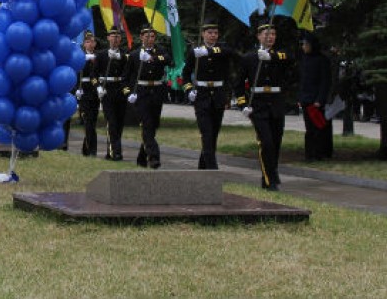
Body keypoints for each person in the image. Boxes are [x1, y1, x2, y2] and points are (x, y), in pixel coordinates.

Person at [236, 20, 296, 190]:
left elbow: (291, 58)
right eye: (267, 34)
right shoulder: (249, 58)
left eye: (273, 34)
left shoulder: (279, 55)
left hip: (276, 102)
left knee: (276, 141)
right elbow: (239, 83)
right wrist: (242, 104)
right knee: (266, 142)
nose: (270, 37)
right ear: (259, 36)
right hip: (258, 104)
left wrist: (272, 56)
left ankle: (270, 173)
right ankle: (270, 180)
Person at [182, 19, 237, 170]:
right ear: (203, 34)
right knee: (206, 132)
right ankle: (212, 168)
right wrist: (188, 89)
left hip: (218, 95)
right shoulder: (195, 52)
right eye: (209, 33)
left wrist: (209, 51)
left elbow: (231, 54)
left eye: (215, 33)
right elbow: (185, 74)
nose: (213, 36)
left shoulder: (223, 49)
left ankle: (203, 164)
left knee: (214, 133)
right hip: (202, 95)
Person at [124, 24, 172, 169]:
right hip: (142, 92)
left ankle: (141, 158)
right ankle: (154, 157)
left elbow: (169, 60)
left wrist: (152, 59)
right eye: (147, 36)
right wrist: (128, 92)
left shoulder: (160, 51)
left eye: (152, 36)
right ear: (141, 37)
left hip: (156, 92)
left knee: (153, 126)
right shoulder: (134, 55)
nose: (150, 39)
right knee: (146, 125)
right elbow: (126, 77)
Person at [298, 32, 332, 162]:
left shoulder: (321, 60)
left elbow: (325, 82)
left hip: (316, 100)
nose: (304, 47)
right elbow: (303, 81)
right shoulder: (304, 59)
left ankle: (319, 153)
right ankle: (309, 154)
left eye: (306, 44)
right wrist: (300, 98)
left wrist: (320, 99)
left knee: (318, 127)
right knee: (309, 128)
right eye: (303, 45)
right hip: (306, 99)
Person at [98, 27, 129, 160]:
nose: (115, 39)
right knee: (111, 122)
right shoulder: (101, 54)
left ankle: (111, 150)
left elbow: (129, 71)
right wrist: (98, 87)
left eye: (117, 37)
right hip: (107, 90)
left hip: (120, 89)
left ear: (120, 39)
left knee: (120, 122)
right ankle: (115, 152)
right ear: (108, 38)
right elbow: (94, 73)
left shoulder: (125, 54)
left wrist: (120, 57)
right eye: (112, 36)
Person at [76, 32, 101, 157]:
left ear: (95, 44)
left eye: (92, 42)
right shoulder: (80, 56)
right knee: (88, 121)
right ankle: (92, 150)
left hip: (95, 91)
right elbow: (75, 73)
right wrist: (76, 89)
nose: (90, 44)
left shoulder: (99, 56)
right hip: (84, 90)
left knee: (93, 121)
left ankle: (86, 149)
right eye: (87, 42)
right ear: (84, 44)